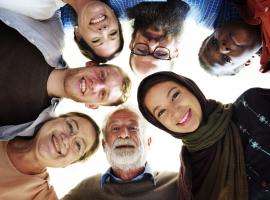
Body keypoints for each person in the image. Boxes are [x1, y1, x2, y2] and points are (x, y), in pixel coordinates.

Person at [137, 71, 270, 199]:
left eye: (175, 95)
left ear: (191, 88)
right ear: (160, 125)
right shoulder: (190, 174)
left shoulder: (251, 105)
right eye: (161, 112)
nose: (176, 112)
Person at [63, 107, 179, 200]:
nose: (123, 134)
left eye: (133, 128)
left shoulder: (178, 183)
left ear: (148, 142)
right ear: (104, 145)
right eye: (115, 129)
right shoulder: (86, 189)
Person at [0, 112, 100, 200]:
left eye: (78, 145)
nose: (66, 140)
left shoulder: (41, 196)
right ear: (54, 119)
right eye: (70, 126)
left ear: (69, 163)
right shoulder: (5, 125)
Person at [0, 0, 124, 63]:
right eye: (113, 33)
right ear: (115, 15)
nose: (103, 31)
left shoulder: (40, 10)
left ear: (78, 34)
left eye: (96, 40)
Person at [127, 0, 190, 76]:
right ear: (176, 50)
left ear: (132, 42)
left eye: (142, 50)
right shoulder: (206, 12)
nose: (152, 43)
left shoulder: (116, 7)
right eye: (161, 53)